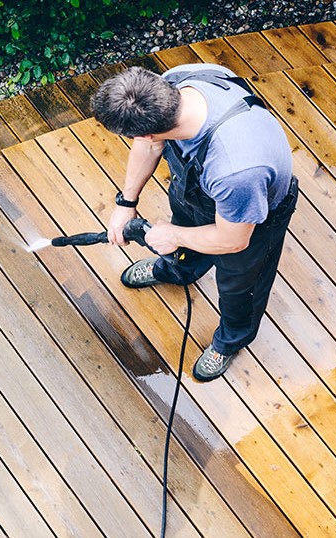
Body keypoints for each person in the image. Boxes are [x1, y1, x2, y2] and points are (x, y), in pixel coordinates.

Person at [91, 64, 297, 382]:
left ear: (145, 129)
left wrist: (173, 234)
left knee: (240, 288)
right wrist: (126, 203)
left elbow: (232, 240)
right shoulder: (176, 83)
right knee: (182, 239)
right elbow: (149, 144)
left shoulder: (236, 169)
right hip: (196, 193)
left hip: (250, 222)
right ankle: (178, 271)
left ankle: (230, 341)